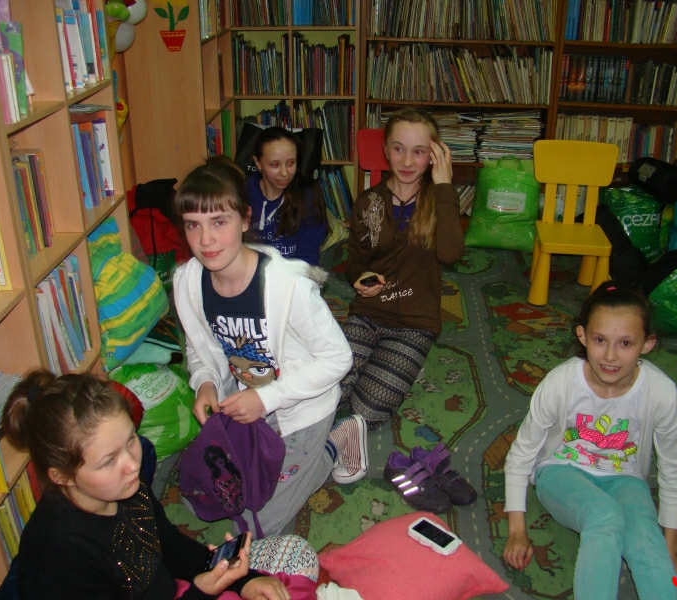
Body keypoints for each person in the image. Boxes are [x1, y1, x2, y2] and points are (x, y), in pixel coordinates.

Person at [172, 157, 364, 537]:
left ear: (245, 219)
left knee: (259, 524)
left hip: (301, 408)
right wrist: (206, 383)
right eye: (193, 224)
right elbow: (200, 348)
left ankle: (333, 444)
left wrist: (267, 398)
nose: (205, 240)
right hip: (245, 401)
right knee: (207, 496)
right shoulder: (188, 282)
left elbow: (339, 358)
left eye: (219, 222)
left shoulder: (288, 286)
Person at [2, 369, 305, 600]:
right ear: (62, 476)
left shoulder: (124, 488)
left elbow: (168, 545)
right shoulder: (60, 556)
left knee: (296, 554)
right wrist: (201, 593)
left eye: (130, 440)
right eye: (109, 461)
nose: (133, 464)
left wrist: (242, 579)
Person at [503, 282, 677, 600]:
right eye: (600, 340)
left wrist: (670, 550)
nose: (610, 356)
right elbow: (522, 454)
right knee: (604, 516)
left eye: (626, 343)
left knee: (647, 539)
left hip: (625, 478)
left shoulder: (661, 393)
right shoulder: (560, 383)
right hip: (560, 471)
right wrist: (517, 531)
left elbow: (673, 470)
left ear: (647, 344)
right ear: (582, 336)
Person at [340, 108, 465, 430]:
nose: (407, 161)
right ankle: (387, 365)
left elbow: (451, 254)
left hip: (415, 322)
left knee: (367, 411)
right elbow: (355, 258)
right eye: (399, 149)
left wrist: (444, 185)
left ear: (434, 155)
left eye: (419, 151)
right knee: (327, 391)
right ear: (386, 150)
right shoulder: (368, 201)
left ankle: (399, 363)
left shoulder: (440, 200)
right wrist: (359, 276)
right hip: (368, 312)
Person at [247, 127, 327, 266]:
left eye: (290, 163)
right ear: (258, 163)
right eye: (275, 165)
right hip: (251, 273)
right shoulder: (242, 195)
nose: (284, 173)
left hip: (293, 273)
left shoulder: (308, 195)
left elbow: (308, 255)